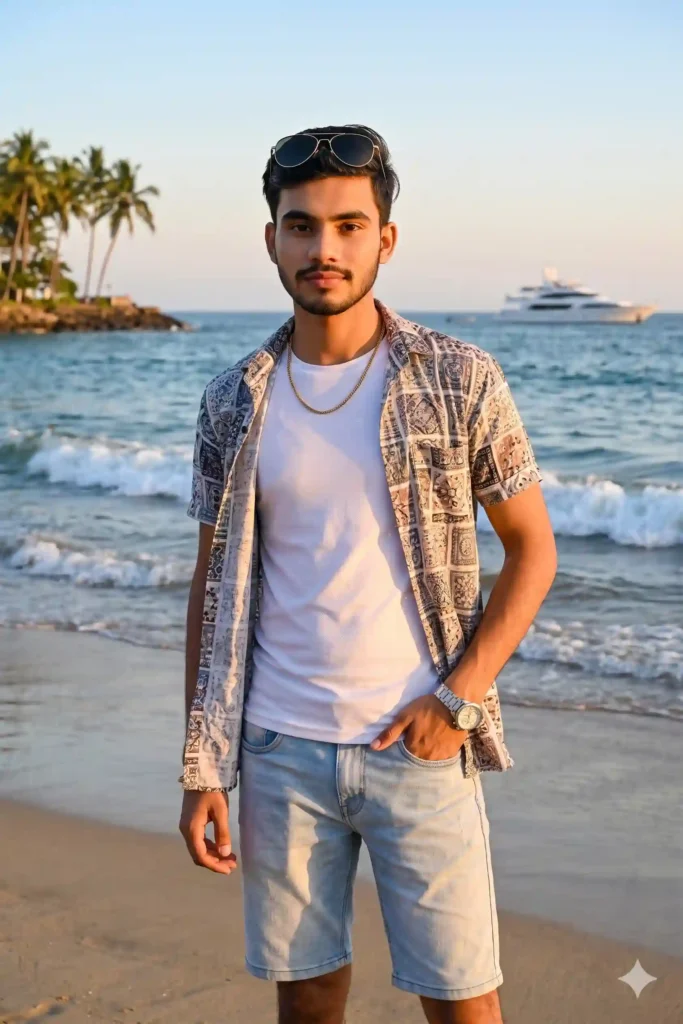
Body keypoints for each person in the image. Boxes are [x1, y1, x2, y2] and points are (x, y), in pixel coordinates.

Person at [179, 125, 557, 1024]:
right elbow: (212, 583)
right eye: (301, 226)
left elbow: (532, 551)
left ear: (385, 239)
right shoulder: (233, 399)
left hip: (419, 744)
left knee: (463, 1003)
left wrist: (457, 698)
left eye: (349, 226)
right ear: (271, 238)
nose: (324, 249)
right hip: (278, 750)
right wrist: (202, 763)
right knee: (307, 1000)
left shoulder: (458, 378)